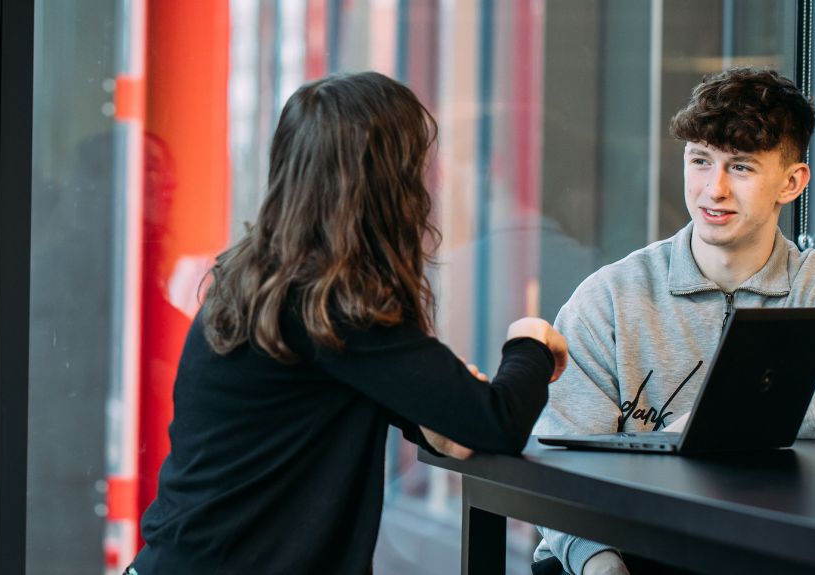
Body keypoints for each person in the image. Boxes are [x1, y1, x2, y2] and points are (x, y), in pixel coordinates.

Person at [126, 71, 570, 574]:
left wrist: (438, 422)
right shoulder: (333, 304)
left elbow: (427, 414)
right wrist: (532, 341)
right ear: (385, 186)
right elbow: (495, 423)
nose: (433, 182)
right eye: (418, 166)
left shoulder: (266, 281)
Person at [529, 68, 815, 575]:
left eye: (743, 167)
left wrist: (717, 420)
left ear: (791, 183)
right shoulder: (610, 298)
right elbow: (562, 462)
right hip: (626, 556)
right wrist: (598, 563)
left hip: (770, 555)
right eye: (700, 161)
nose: (715, 189)